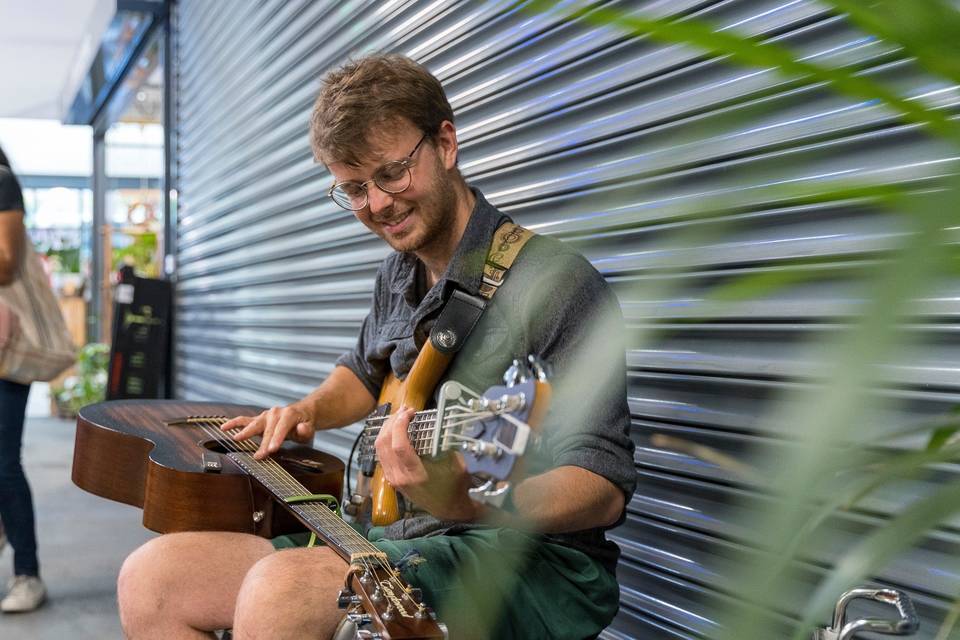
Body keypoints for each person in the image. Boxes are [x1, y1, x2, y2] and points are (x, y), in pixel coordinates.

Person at [117, 53, 635, 640]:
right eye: (355, 189)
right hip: (395, 536)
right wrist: (306, 412)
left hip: (530, 558)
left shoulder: (556, 284)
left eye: (391, 174)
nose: (379, 204)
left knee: (281, 592)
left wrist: (472, 500)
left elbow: (602, 488)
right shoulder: (398, 273)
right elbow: (362, 377)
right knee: (153, 579)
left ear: (445, 144)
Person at [0, 145, 46, 613]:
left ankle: (28, 574)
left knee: (3, 461)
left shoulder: (1, 181)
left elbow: (7, 263)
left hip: (7, 349)